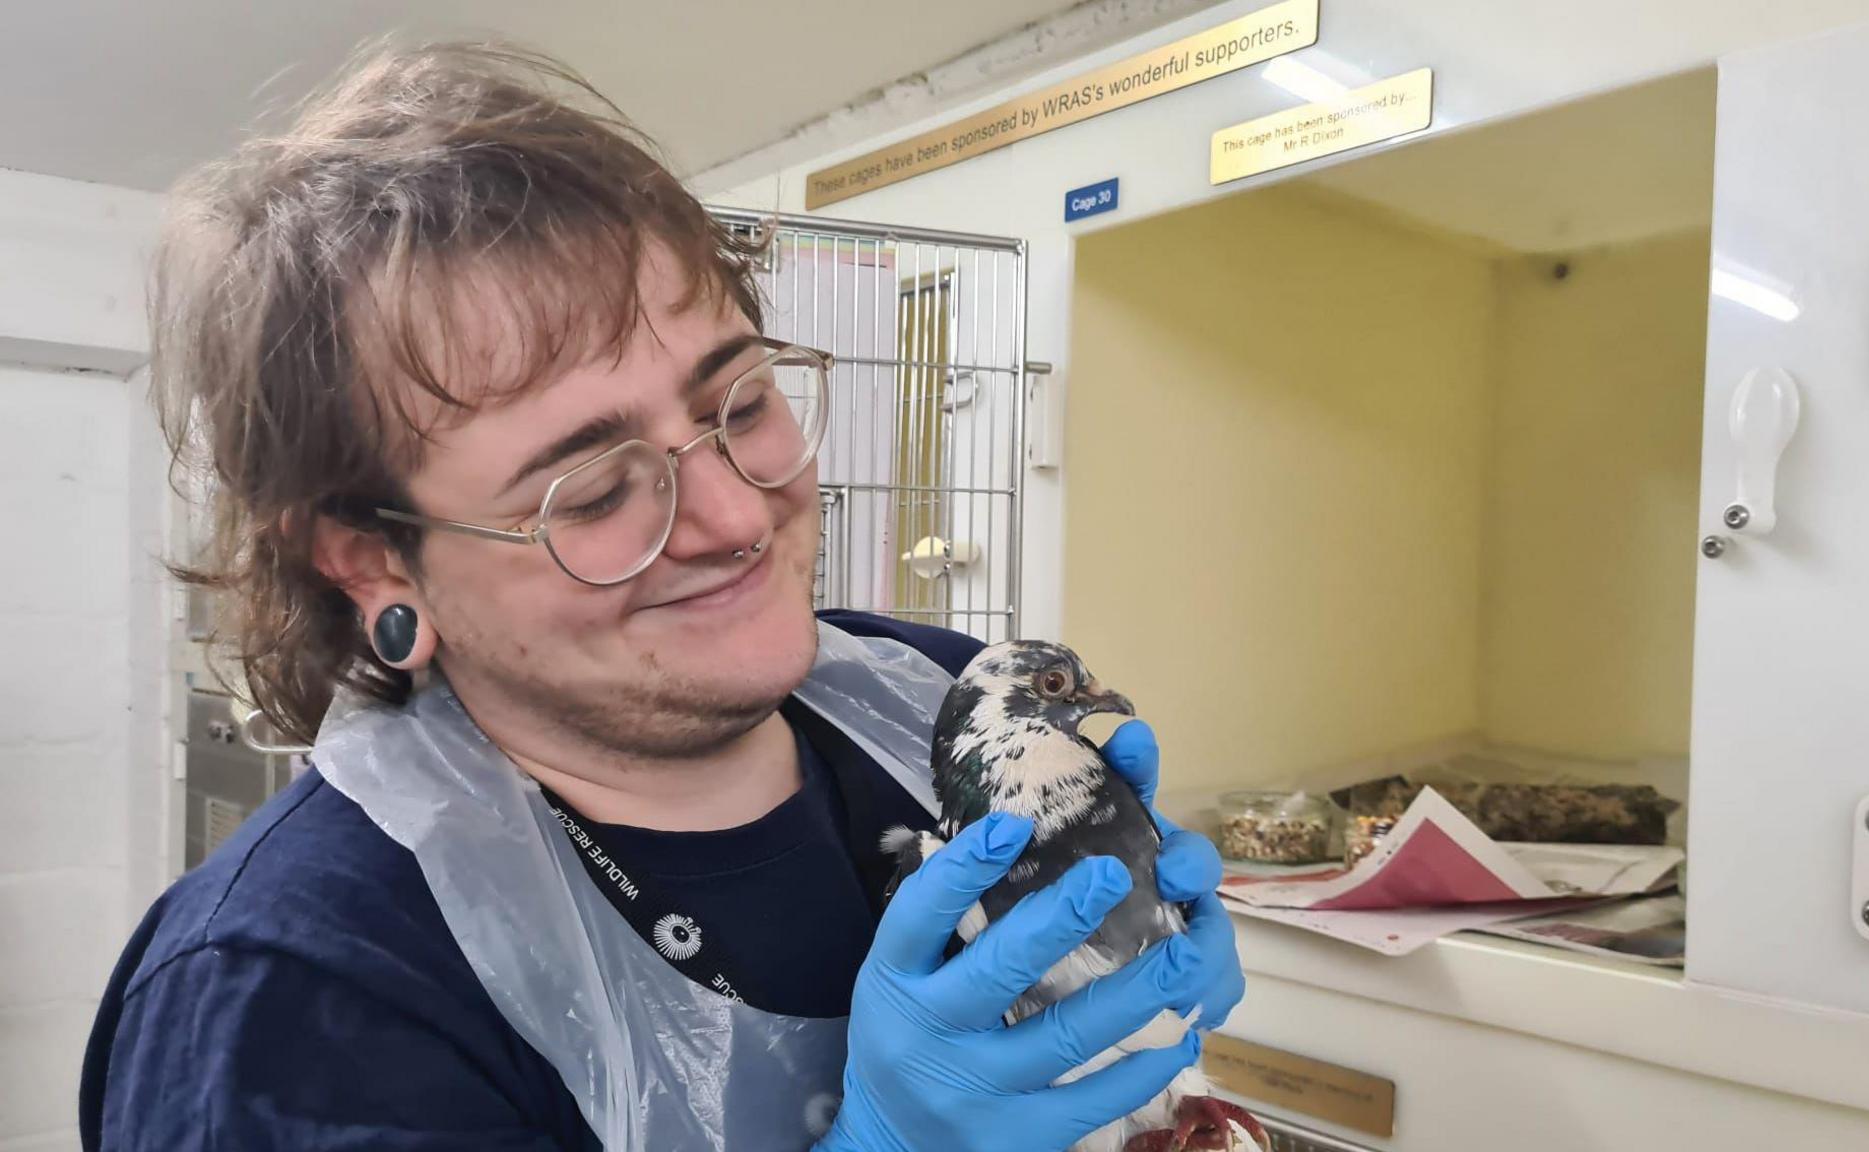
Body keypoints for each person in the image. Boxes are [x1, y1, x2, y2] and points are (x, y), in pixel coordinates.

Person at [78, 40, 1244, 1152]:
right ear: (372, 562)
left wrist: (1145, 1045)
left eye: (739, 408)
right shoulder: (293, 1000)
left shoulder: (928, 696)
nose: (738, 518)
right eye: (590, 494)